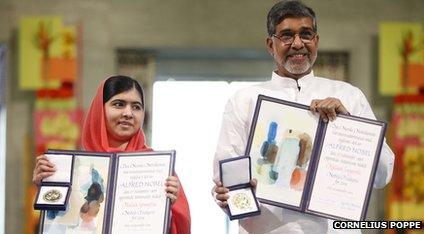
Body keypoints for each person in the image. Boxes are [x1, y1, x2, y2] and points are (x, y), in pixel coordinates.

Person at [212, 1, 394, 233]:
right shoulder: (244, 101)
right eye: (287, 35)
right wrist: (228, 196)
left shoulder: (349, 96)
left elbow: (383, 174)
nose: (298, 43)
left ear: (316, 41)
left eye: (306, 34)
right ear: (271, 44)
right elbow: (226, 178)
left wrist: (350, 128)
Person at [33, 75, 191, 234]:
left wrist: (171, 207)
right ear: (99, 110)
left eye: (136, 107)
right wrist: (47, 184)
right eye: (119, 104)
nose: (128, 113)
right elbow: (57, 224)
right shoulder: (75, 167)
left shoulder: (159, 169)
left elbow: (181, 225)